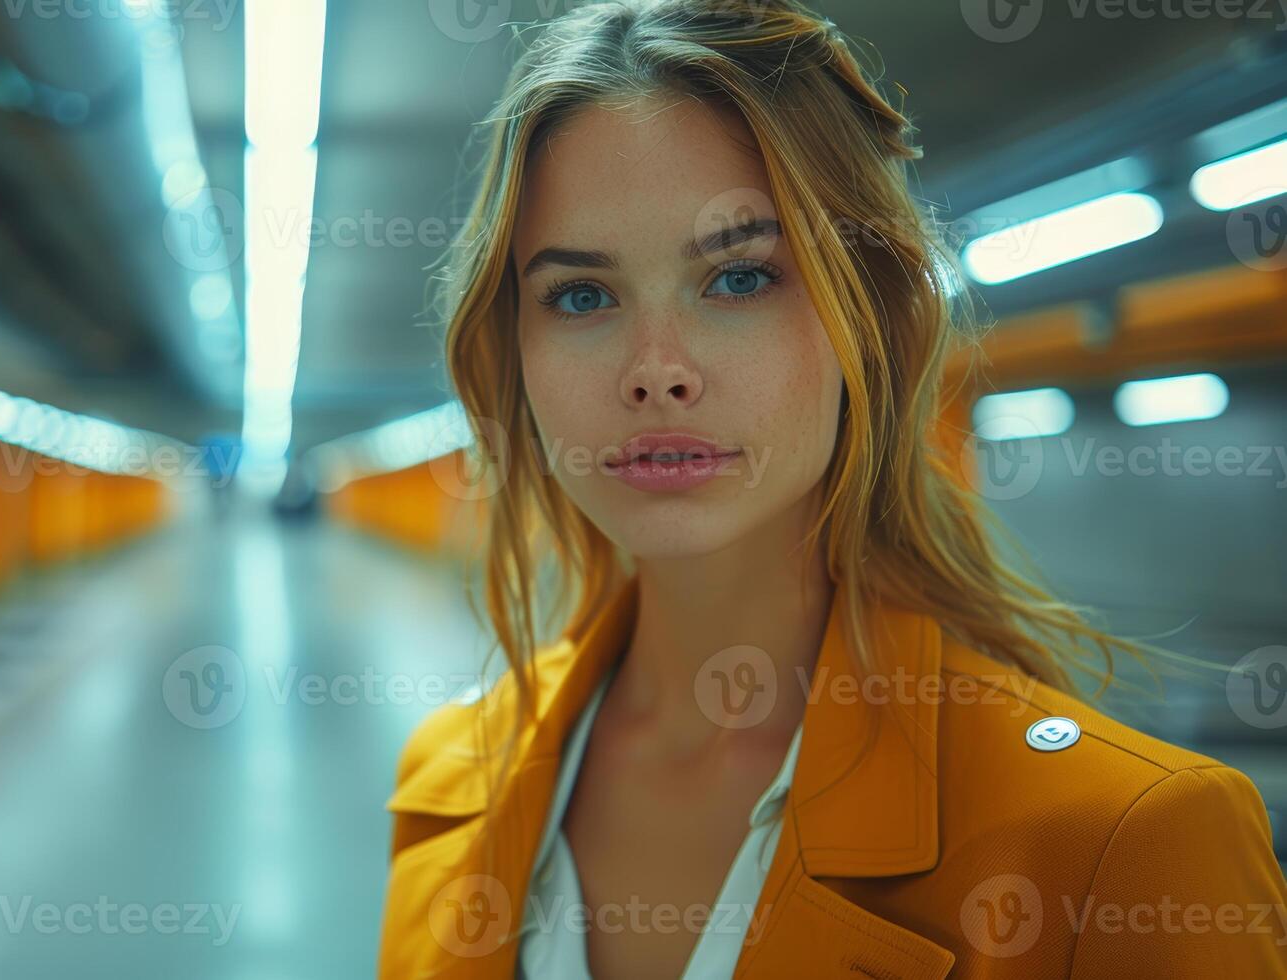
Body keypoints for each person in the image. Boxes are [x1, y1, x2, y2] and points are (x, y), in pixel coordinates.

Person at [377, 1, 1287, 977]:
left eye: (738, 278)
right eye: (582, 294)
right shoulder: (453, 774)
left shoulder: (1124, 846)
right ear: (511, 351)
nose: (656, 370)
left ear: (870, 317)